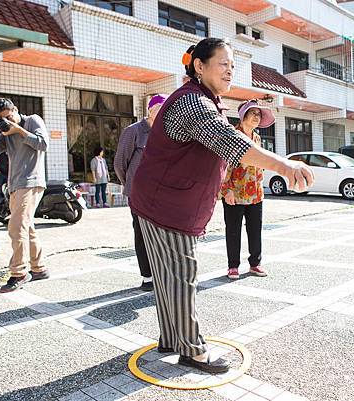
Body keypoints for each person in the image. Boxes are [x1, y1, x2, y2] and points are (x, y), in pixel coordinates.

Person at [130, 38, 314, 373]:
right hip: (166, 204)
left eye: (232, 65)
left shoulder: (202, 99)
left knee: (168, 274)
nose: (230, 71)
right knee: (182, 274)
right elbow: (231, 142)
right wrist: (284, 165)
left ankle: (172, 338)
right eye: (223, 64)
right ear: (199, 66)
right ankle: (193, 349)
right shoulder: (193, 103)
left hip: (160, 200)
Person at [0, 98, 49, 293]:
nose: (7, 120)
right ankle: (39, 269)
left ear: (15, 109)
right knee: (26, 227)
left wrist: (19, 130)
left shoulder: (32, 120)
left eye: (9, 115)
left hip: (31, 182)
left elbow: (43, 143)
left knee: (16, 227)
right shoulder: (5, 131)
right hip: (14, 184)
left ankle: (19, 273)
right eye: (2, 118)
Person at [114, 94, 167, 291]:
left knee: (160, 233)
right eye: (161, 108)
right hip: (138, 193)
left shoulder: (165, 132)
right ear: (150, 110)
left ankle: (160, 273)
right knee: (142, 233)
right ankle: (147, 276)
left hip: (161, 194)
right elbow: (120, 163)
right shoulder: (134, 131)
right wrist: (130, 184)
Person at [220, 99, 275, 280]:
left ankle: (255, 263)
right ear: (243, 116)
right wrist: (226, 189)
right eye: (253, 113)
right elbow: (222, 165)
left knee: (255, 229)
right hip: (234, 192)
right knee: (233, 230)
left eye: (259, 115)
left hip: (255, 193)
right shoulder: (233, 135)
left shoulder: (257, 138)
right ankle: (233, 265)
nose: (256, 117)